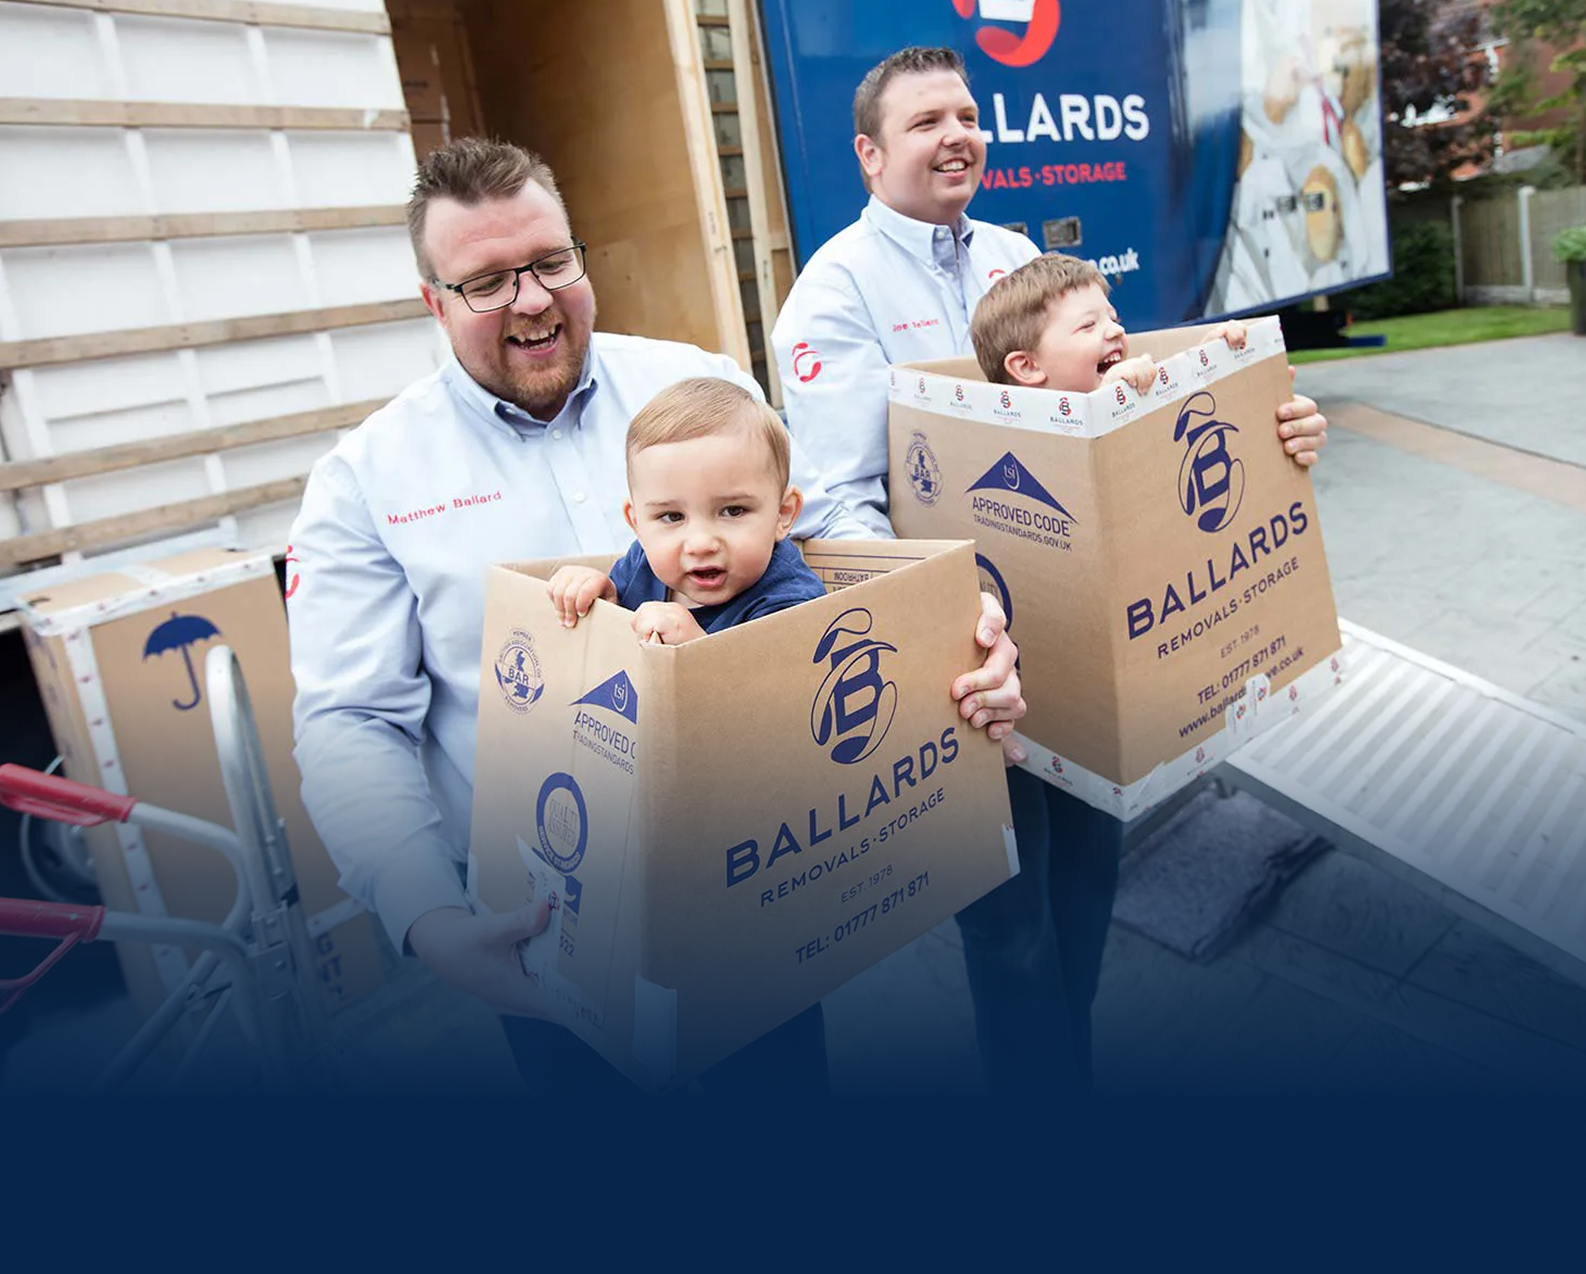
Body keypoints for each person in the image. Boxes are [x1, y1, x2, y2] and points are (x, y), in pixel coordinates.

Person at [286, 138, 1025, 1096]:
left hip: (757, 896)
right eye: (486, 282)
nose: (533, 299)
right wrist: (428, 920)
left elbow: (820, 548)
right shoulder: (366, 480)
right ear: (434, 302)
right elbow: (350, 720)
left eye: (552, 262)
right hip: (547, 935)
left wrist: (961, 626)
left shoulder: (697, 382)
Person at [772, 46, 1329, 1095]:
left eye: (967, 115)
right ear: (868, 151)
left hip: (1078, 641)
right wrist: (956, 611)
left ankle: (1056, 1090)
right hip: (967, 662)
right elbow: (838, 502)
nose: (955, 135)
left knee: (1082, 890)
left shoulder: (1015, 256)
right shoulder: (834, 291)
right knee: (1010, 930)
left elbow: (1120, 410)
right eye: (926, 120)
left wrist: (1268, 430)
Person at [545, 377, 823, 643]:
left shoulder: (791, 604)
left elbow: (785, 686)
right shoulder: (641, 563)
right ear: (637, 523)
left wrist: (697, 652)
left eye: (733, 511)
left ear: (783, 513)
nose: (701, 544)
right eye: (672, 517)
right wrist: (602, 599)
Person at [971, 252, 1248, 394]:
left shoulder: (1132, 386)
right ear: (1028, 366)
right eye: (1088, 325)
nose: (1117, 330)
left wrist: (1209, 358)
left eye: (1114, 319)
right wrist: (1106, 407)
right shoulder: (1026, 445)